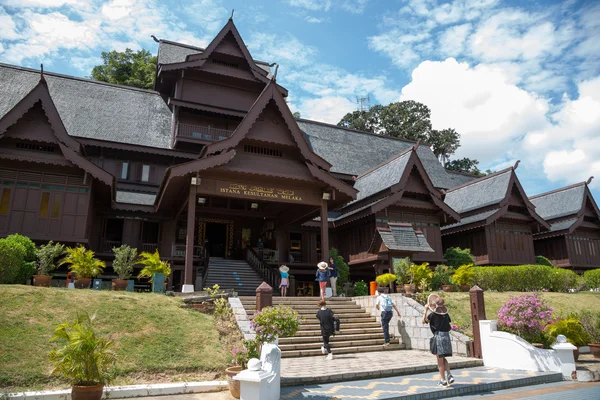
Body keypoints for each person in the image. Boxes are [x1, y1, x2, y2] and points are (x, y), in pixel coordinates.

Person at [422, 294, 454, 387]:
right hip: (446, 336)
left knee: (439, 361)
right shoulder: (446, 315)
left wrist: (425, 310)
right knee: (443, 357)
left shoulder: (432, 315)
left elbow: (423, 321)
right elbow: (449, 323)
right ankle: (449, 375)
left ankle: (443, 380)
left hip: (438, 337)